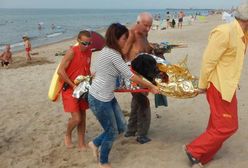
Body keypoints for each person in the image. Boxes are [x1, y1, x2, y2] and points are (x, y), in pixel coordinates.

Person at [184, 2, 248, 168]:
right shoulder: (224, 32)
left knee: (216, 124)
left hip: (229, 86)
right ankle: (193, 150)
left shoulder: (243, 33)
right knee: (228, 126)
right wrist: (203, 85)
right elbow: (208, 61)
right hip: (218, 86)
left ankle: (203, 156)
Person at [88, 23, 159, 168]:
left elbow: (98, 70)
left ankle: (94, 143)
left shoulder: (109, 51)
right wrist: (150, 86)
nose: (125, 41)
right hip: (99, 99)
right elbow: (130, 75)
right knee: (112, 131)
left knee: (121, 127)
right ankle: (103, 161)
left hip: (107, 97)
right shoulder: (111, 54)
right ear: (116, 38)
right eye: (124, 39)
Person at [57, 30, 93, 150]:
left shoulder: (89, 52)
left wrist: (90, 77)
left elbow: (86, 69)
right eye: (84, 43)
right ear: (78, 40)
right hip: (70, 89)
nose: (87, 46)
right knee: (76, 118)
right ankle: (68, 134)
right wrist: (72, 85)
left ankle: (81, 143)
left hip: (83, 88)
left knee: (82, 117)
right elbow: (60, 71)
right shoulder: (71, 51)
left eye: (89, 43)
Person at [123, 12, 154, 144]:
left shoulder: (145, 34)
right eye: (145, 25)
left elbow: (146, 49)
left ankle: (130, 130)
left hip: (145, 74)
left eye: (150, 26)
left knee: (137, 102)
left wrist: (154, 49)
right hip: (133, 75)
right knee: (143, 103)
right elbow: (123, 53)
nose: (147, 29)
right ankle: (142, 135)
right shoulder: (131, 33)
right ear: (138, 23)